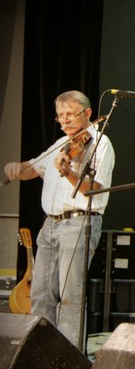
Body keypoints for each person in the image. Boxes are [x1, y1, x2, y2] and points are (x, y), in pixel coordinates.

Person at [4, 90, 115, 348]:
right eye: (60, 116)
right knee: (41, 295)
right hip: (50, 224)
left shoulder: (100, 143)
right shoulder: (60, 144)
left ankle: (68, 357)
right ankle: (41, 353)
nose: (64, 121)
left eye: (70, 115)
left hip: (79, 223)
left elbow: (94, 188)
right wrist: (18, 168)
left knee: (69, 296)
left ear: (88, 113)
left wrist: (68, 172)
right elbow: (34, 168)